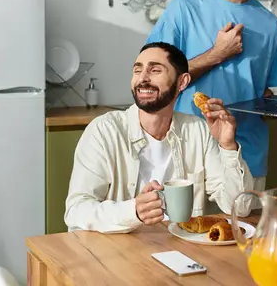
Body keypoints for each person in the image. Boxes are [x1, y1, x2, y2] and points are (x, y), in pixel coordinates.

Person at [146, 0, 277, 191]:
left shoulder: (270, 24)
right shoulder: (183, 10)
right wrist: (217, 54)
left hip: (246, 156)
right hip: (188, 157)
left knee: (243, 233)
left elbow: (263, 94)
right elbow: (154, 80)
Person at [64, 42, 253, 234]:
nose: (143, 79)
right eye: (137, 71)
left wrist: (228, 145)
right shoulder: (104, 131)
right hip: (117, 252)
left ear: (182, 82)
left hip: (179, 251)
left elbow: (240, 207)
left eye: (155, 70)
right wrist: (133, 211)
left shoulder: (197, 131)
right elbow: (76, 210)